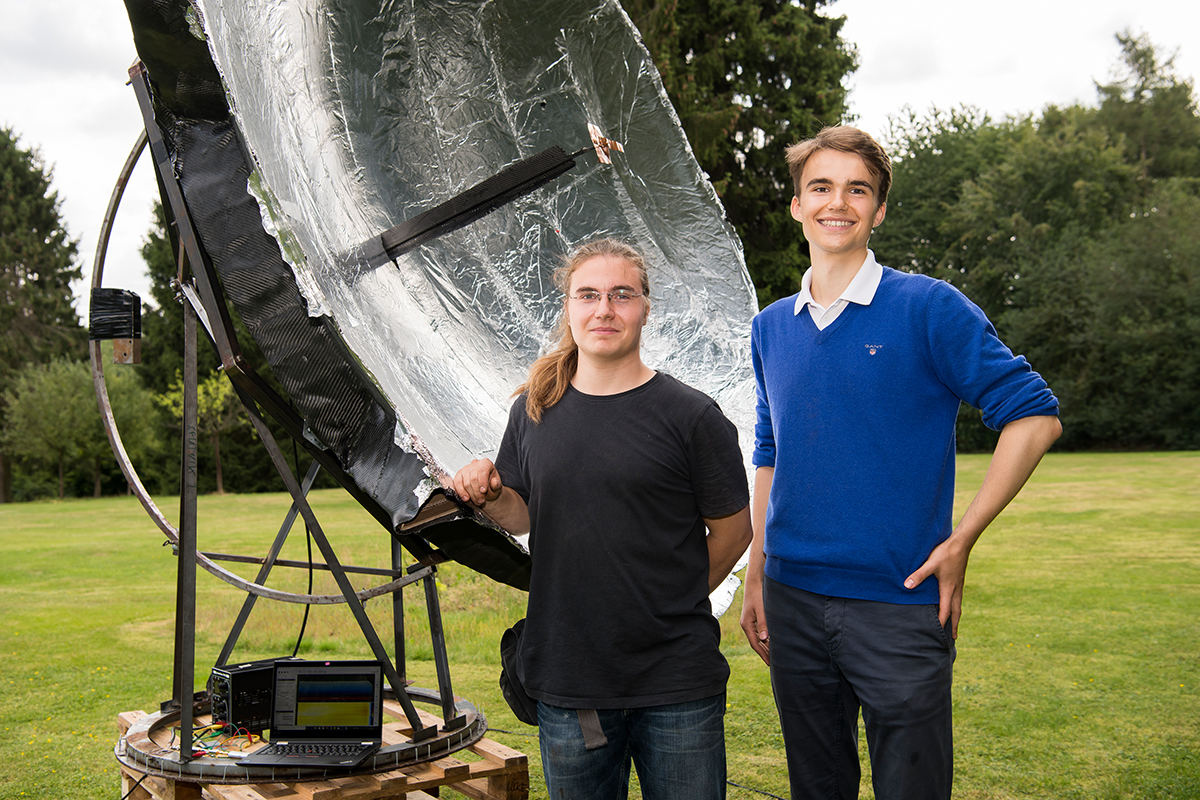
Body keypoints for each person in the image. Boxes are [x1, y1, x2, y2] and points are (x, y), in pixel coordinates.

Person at [739, 126, 1062, 800]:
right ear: (796, 205)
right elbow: (772, 451)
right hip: (794, 602)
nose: (839, 202)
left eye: (858, 189)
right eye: (820, 187)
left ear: (879, 210)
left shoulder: (928, 308)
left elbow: (1034, 415)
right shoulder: (770, 326)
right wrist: (759, 575)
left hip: (899, 603)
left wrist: (962, 539)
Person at [452, 238, 752, 800]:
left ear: (645, 307)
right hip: (572, 682)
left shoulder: (691, 416)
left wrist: (671, 599)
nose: (604, 309)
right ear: (568, 308)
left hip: (676, 681)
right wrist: (490, 493)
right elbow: (520, 513)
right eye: (587, 295)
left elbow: (735, 530)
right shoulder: (535, 410)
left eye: (622, 295)